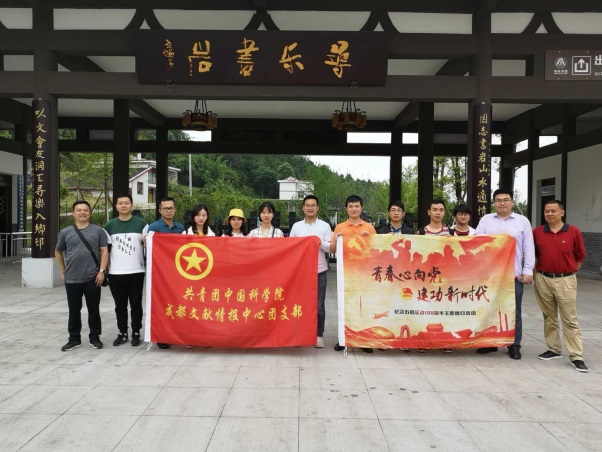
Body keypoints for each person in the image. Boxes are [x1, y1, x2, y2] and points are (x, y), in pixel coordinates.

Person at [475, 188, 535, 360]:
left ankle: (514, 345)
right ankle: (490, 343)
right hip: (490, 275)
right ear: (494, 203)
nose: (502, 203)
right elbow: (477, 240)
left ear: (512, 202)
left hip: (513, 275)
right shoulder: (486, 220)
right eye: (498, 200)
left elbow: (528, 247)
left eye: (506, 200)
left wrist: (528, 270)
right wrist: (497, 239)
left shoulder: (522, 221)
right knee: (489, 308)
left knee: (514, 310)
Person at [533, 200, 588, 372]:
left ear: (562, 213)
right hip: (543, 278)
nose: (549, 214)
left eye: (553, 211)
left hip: (566, 280)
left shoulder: (573, 231)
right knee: (549, 316)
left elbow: (580, 255)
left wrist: (569, 272)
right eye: (546, 211)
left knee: (569, 319)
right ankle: (554, 349)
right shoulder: (537, 232)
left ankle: (576, 355)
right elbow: (533, 255)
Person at [55, 200, 108, 351]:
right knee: (74, 309)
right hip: (72, 278)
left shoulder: (98, 230)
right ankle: (74, 338)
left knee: (94, 309)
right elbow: (58, 251)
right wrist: (63, 271)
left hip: (93, 277)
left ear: (90, 213)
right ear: (73, 213)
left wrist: (102, 271)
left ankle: (95, 337)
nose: (82, 213)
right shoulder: (65, 232)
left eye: (85, 210)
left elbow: (104, 251)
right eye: (79, 210)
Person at [331, 195, 376, 353]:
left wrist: (369, 239)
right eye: (351, 206)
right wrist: (337, 240)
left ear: (361, 208)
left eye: (357, 206)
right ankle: (343, 339)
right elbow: (332, 249)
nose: (354, 209)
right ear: (346, 209)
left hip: (364, 273)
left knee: (363, 306)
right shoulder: (340, 227)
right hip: (346, 273)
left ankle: (363, 340)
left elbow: (376, 249)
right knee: (345, 306)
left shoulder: (369, 227)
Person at [104, 193, 147, 347]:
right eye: (120, 203)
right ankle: (122, 332)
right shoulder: (109, 226)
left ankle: (136, 332)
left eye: (126, 203)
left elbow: (148, 244)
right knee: (120, 305)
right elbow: (105, 251)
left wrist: (146, 241)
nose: (123, 205)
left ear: (132, 205)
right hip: (116, 273)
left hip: (136, 270)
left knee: (136, 304)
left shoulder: (141, 223)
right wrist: (104, 270)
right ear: (116, 206)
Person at [289, 195, 332, 348]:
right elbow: (290, 247)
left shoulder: (325, 226)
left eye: (313, 205)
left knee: (319, 305)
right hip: (300, 272)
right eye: (307, 205)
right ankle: (299, 334)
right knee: (299, 303)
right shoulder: (296, 227)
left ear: (318, 208)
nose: (310, 208)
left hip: (319, 271)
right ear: (303, 208)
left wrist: (319, 242)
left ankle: (318, 335)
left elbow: (330, 248)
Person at [145, 197, 185, 349]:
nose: (169, 210)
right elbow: (150, 248)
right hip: (160, 273)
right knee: (162, 304)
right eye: (165, 208)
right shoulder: (153, 228)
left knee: (177, 303)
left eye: (171, 208)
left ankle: (176, 332)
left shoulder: (180, 228)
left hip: (177, 272)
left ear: (175, 210)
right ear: (160, 210)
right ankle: (162, 336)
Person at [417, 199, 452, 353]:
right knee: (425, 308)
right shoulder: (420, 232)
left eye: (441, 210)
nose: (438, 213)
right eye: (435, 209)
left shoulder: (451, 233)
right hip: (426, 279)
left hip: (446, 280)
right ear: (429, 212)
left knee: (444, 309)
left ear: (444, 212)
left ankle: (445, 342)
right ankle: (424, 341)